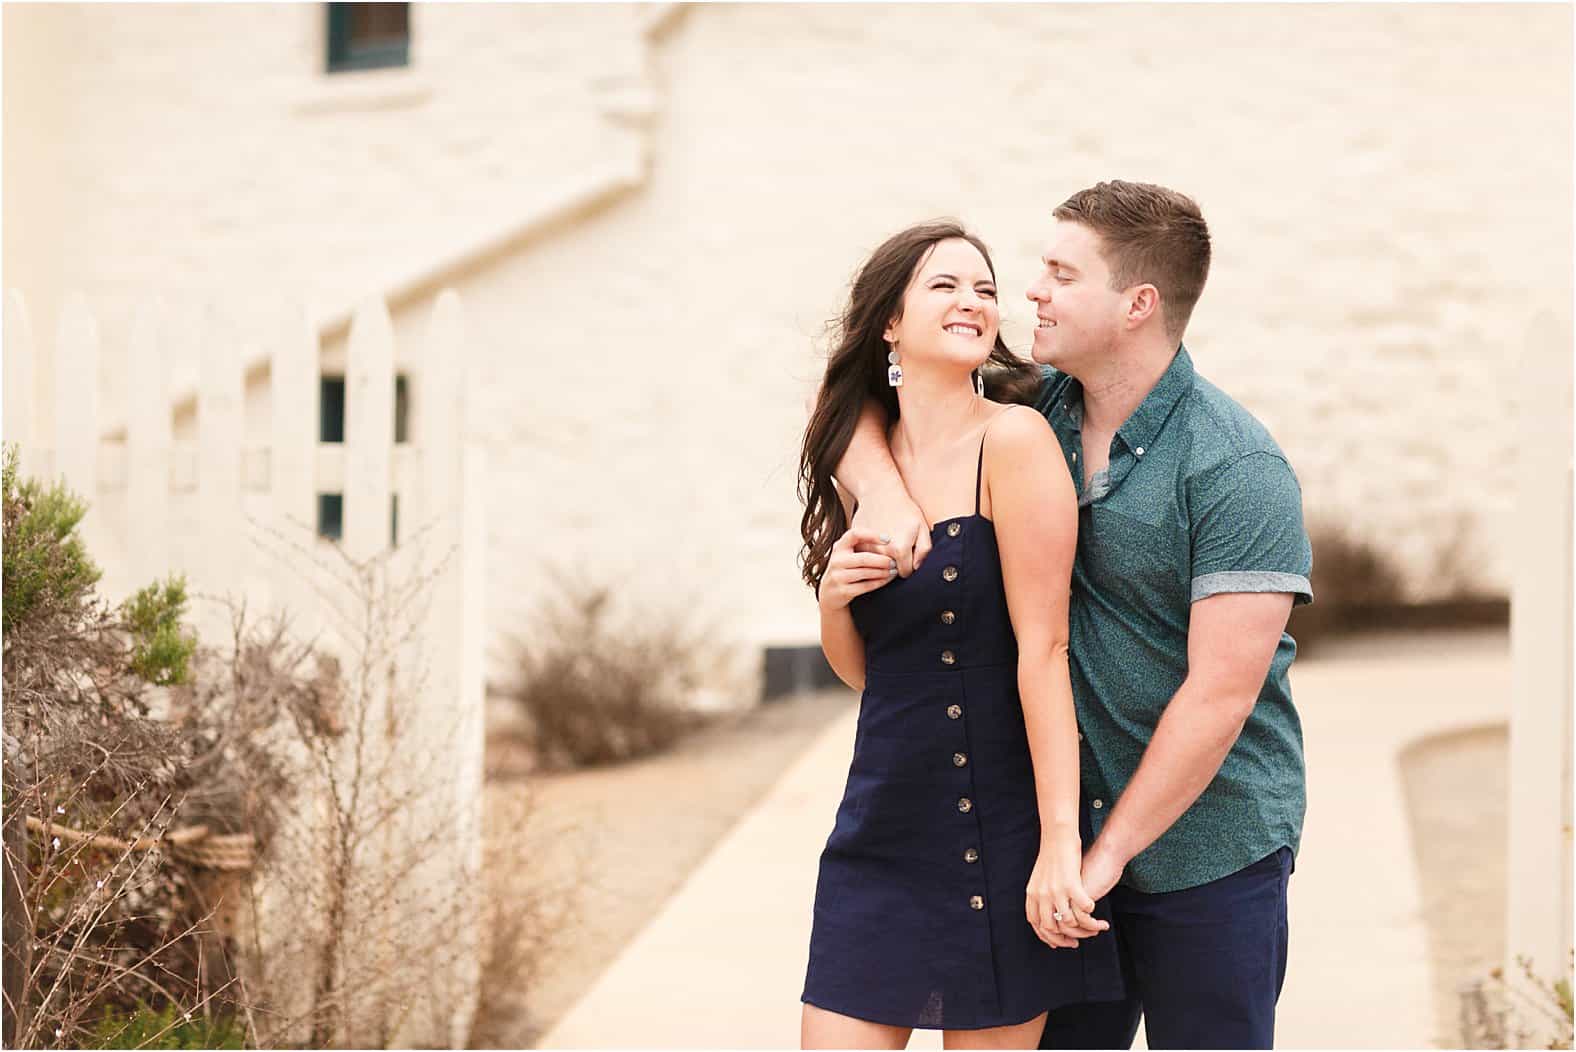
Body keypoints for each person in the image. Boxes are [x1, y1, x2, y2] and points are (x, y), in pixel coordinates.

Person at [831, 182, 1314, 1050]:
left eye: (1060, 273)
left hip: (1205, 846)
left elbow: (1220, 697)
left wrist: (1104, 856)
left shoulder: (1237, 467)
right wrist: (882, 491)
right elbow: (869, 399)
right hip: (1051, 846)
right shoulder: (1038, 407)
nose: (1030, 293)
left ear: (1137, 305)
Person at [797, 220, 1125, 1051]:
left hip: (998, 827)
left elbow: (1044, 651)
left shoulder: (1013, 441)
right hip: (880, 826)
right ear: (889, 323)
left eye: (984, 288)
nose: (972, 301)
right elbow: (871, 675)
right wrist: (836, 601)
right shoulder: (863, 459)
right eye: (944, 285)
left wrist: (1058, 845)